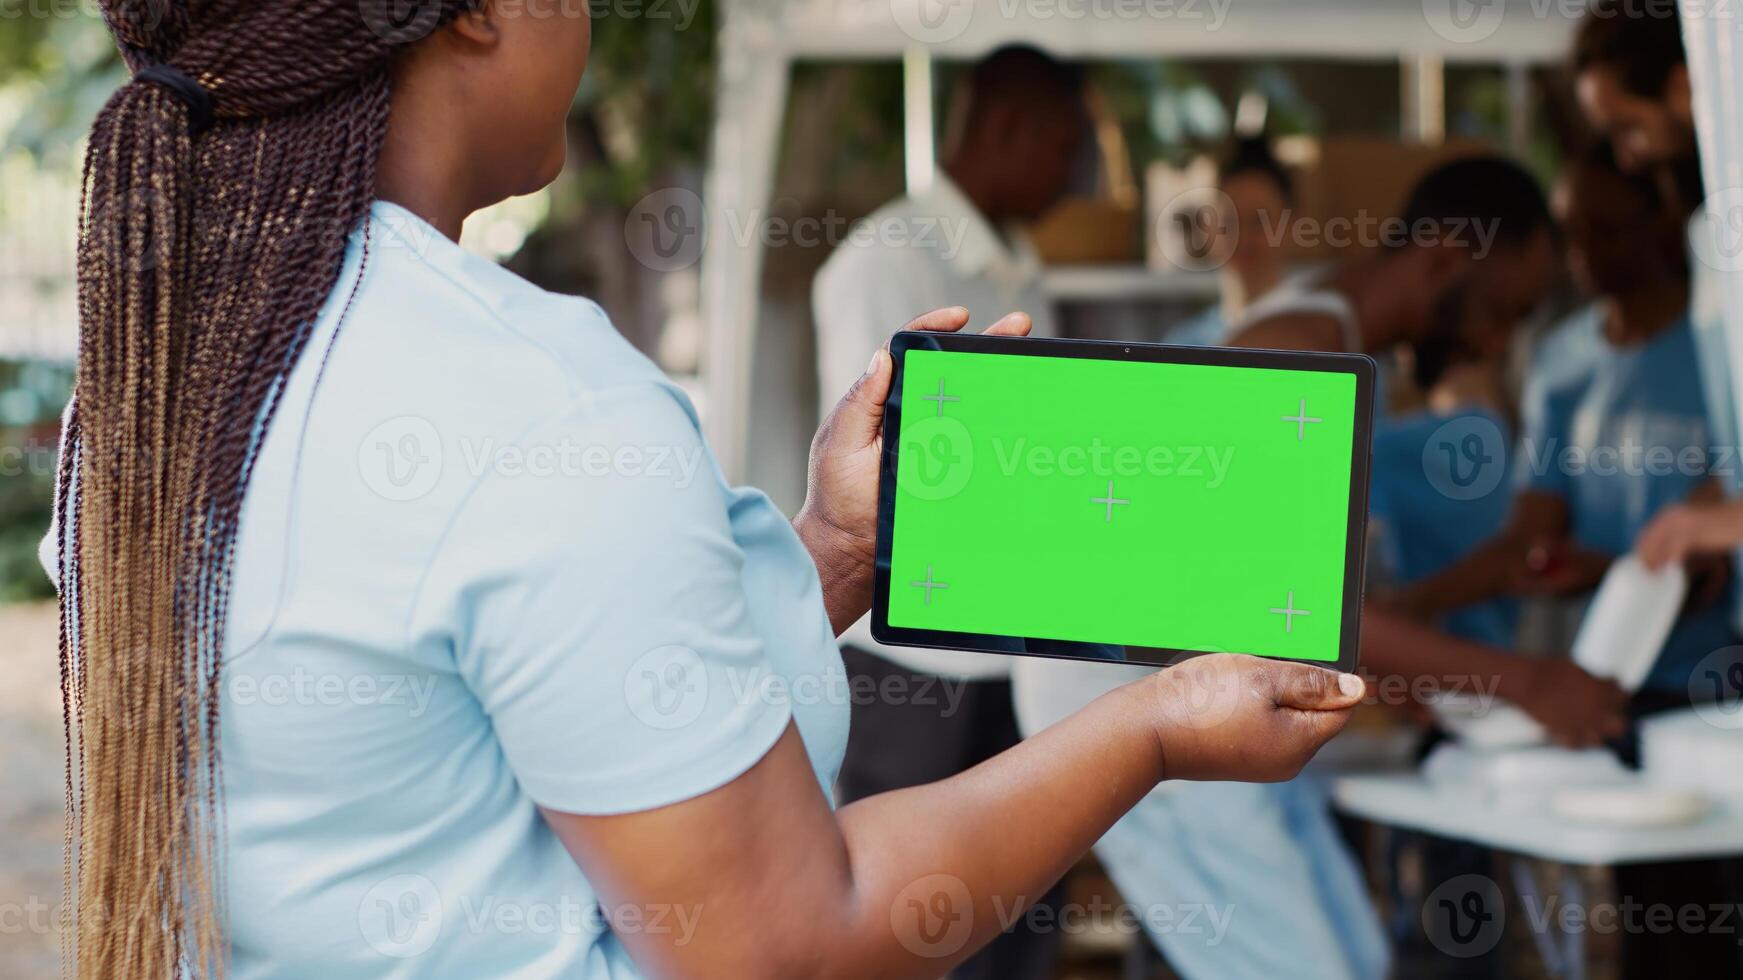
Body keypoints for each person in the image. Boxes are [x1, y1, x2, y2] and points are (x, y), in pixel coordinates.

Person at [48, 7, 1365, 978]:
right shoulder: (539, 406)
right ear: (478, 16)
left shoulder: (160, 384)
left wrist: (831, 551)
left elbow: (504, 709)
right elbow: (790, 941)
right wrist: (1150, 729)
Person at [810, 45, 1086, 979]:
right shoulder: (880, 264)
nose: (1073, 175)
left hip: (1021, 657)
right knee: (915, 931)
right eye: (1066, 147)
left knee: (1017, 923)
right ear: (1008, 128)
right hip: (917, 675)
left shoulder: (1018, 265)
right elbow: (892, 468)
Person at [1228, 155, 1629, 746]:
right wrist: (1530, 683)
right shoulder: (1299, 354)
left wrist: (1407, 643)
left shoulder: (1341, 350)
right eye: (1502, 314)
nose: (1493, 345)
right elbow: (1287, 609)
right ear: (1442, 258)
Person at [1394, 144, 1735, 698]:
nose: (1583, 254)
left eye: (1605, 231)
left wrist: (1676, 553)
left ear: (1662, 224)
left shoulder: (1721, 345)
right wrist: (1413, 607)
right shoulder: (1559, 359)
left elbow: (1716, 534)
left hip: (1715, 669)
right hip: (1602, 673)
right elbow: (1529, 534)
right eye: (1568, 234)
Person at [1170, 136, 1298, 347]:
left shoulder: (1316, 339)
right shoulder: (1182, 345)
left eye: (1260, 221)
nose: (1243, 237)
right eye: (1228, 221)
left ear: (1291, 226)